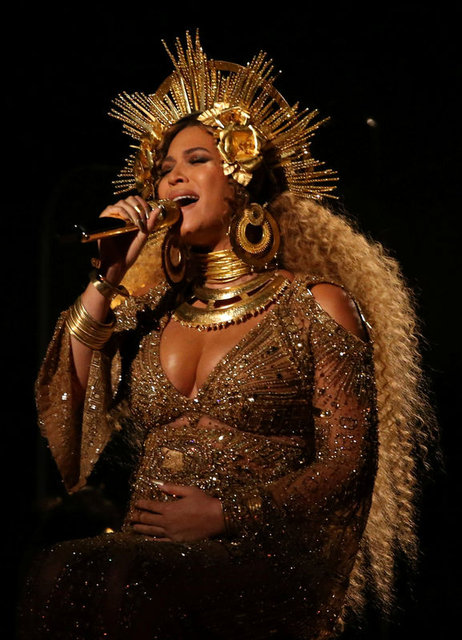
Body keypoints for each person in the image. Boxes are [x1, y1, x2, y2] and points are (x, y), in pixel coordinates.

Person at [19, 32, 434, 639]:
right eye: (163, 169)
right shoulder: (155, 313)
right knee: (57, 574)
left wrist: (226, 514)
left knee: (108, 578)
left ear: (240, 178)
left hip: (262, 559)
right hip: (143, 559)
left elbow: (347, 464)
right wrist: (107, 279)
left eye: (196, 160)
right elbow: (70, 402)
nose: (172, 179)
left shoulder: (313, 305)